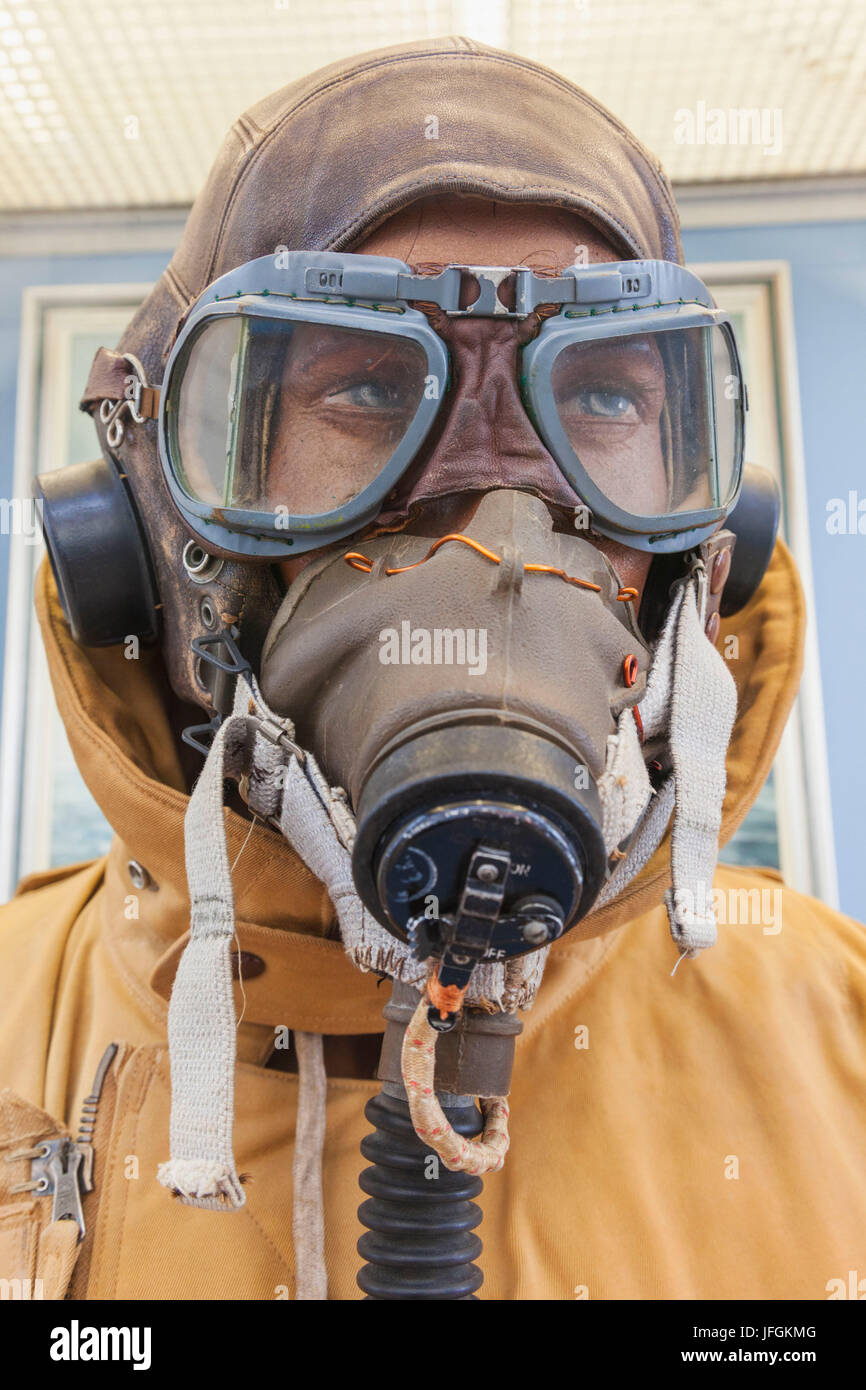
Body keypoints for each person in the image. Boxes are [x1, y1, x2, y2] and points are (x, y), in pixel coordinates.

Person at [1, 37, 864, 1302]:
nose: (497, 535)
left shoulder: (839, 1042)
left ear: (698, 559)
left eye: (608, 400)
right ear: (155, 536)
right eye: (361, 384)